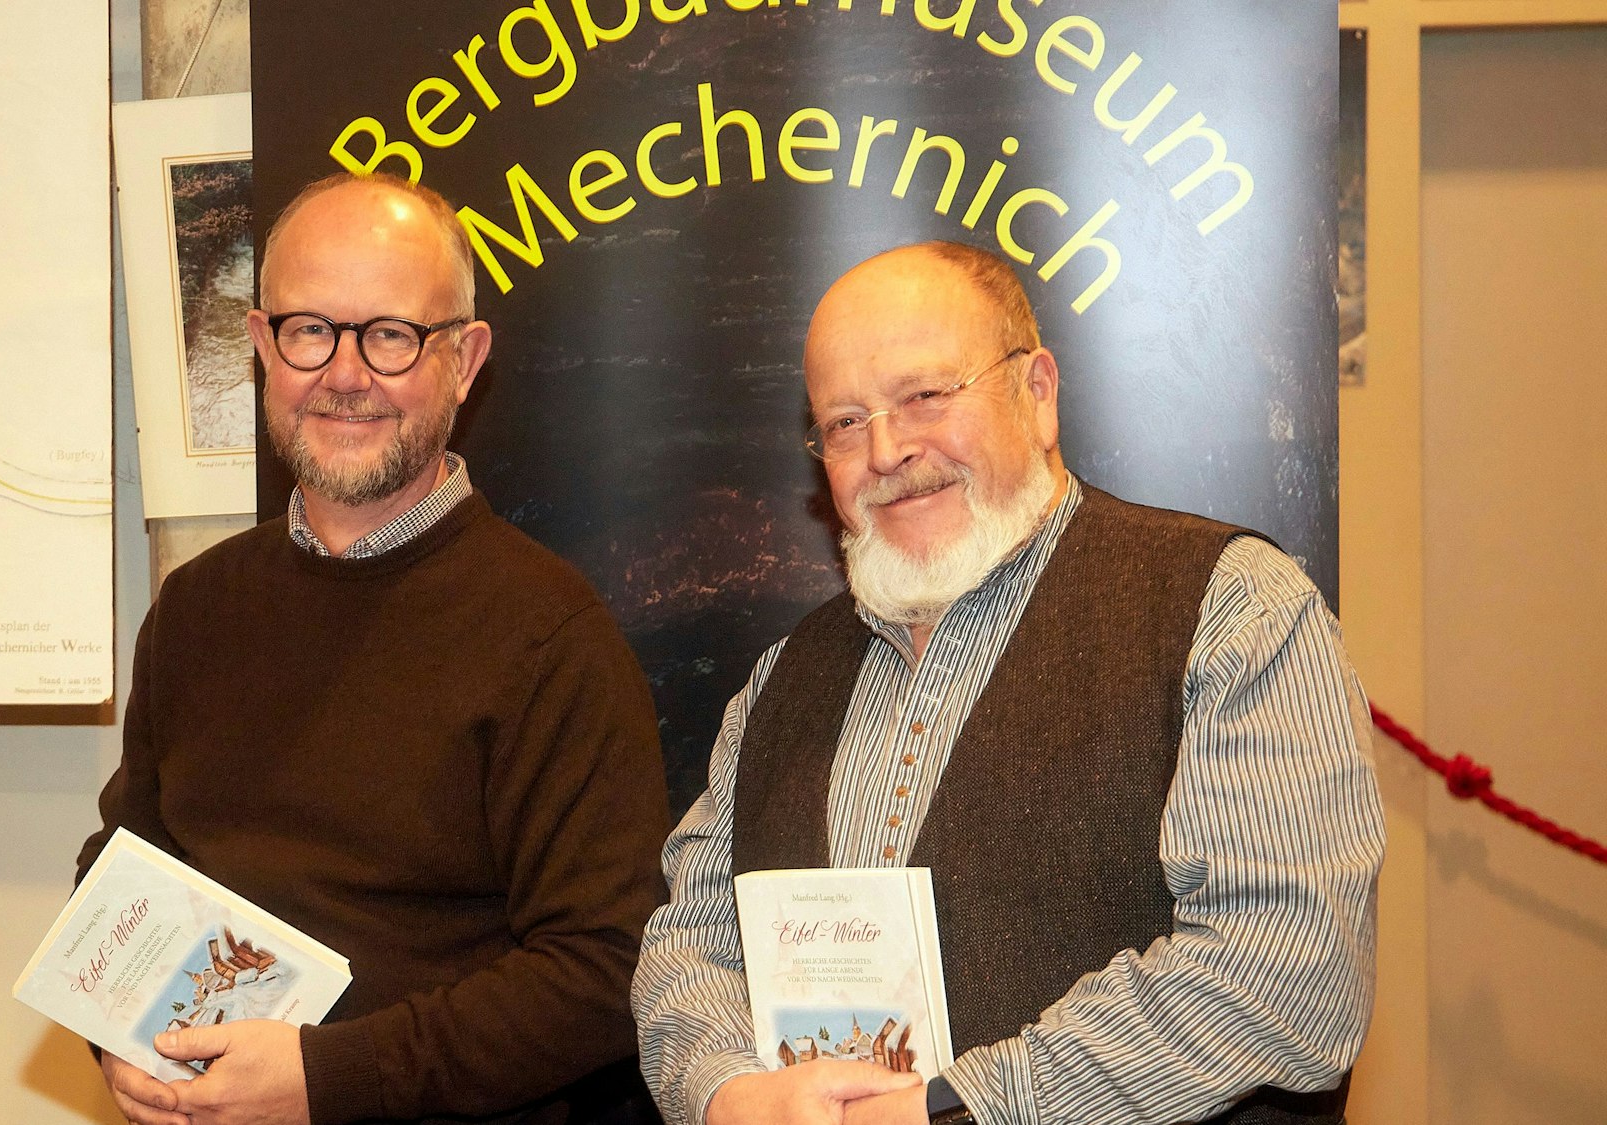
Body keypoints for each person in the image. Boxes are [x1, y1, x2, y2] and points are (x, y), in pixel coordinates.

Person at [632, 242, 1385, 1125]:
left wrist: (955, 1109)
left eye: (924, 396)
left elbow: (1290, 972)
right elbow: (689, 944)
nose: (886, 450)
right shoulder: (780, 682)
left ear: (1037, 392)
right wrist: (730, 1093)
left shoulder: (1228, 610)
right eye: (844, 422)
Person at [81, 172, 671, 1125]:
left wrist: (327, 1079)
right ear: (263, 346)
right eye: (311, 329)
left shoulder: (550, 637)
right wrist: (115, 1031)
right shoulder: (194, 610)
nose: (345, 374)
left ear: (466, 360)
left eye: (391, 335)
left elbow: (606, 972)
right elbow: (124, 866)